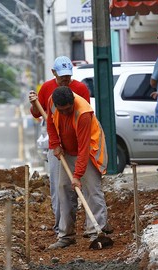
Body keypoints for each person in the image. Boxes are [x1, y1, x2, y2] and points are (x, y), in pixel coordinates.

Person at [28, 56, 91, 236]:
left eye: (68, 76)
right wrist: (34, 103)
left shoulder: (79, 89)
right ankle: (61, 228)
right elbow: (36, 114)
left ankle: (92, 227)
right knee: (59, 188)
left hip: (78, 144)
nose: (66, 79)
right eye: (62, 76)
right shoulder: (47, 88)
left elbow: (85, 116)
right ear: (54, 72)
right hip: (56, 144)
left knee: (86, 186)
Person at [45, 86, 110, 250]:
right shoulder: (52, 101)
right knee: (63, 189)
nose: (66, 113)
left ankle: (97, 232)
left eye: (68, 109)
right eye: (62, 110)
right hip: (67, 150)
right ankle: (66, 235)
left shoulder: (83, 113)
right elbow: (50, 123)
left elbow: (83, 148)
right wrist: (55, 144)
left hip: (88, 151)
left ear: (72, 102)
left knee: (92, 190)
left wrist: (77, 175)